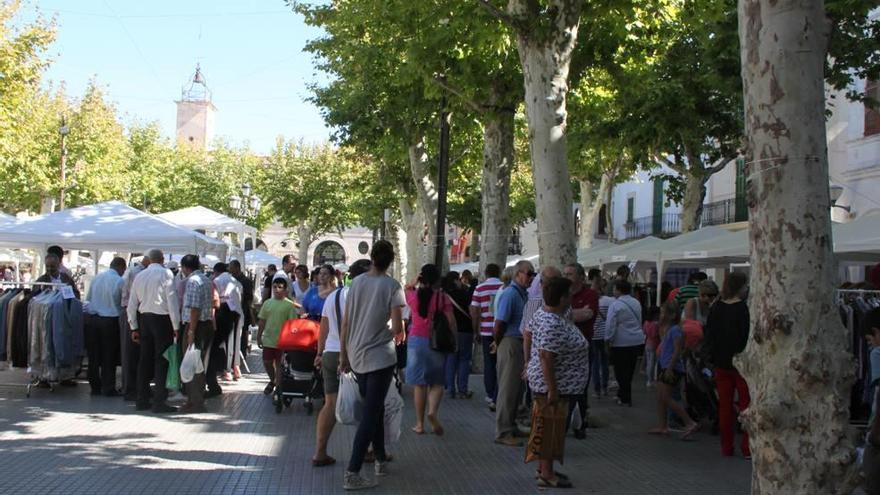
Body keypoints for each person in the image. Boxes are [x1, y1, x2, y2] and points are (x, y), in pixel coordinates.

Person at [339, 240, 406, 490]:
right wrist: (387, 329)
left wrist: (343, 355)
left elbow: (346, 322)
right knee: (370, 413)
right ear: (390, 260)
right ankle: (353, 471)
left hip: (356, 354)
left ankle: (379, 459)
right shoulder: (392, 286)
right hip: (380, 356)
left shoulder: (356, 283)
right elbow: (397, 328)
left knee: (374, 407)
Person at [526, 276, 588, 489]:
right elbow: (546, 356)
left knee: (550, 427)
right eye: (569, 294)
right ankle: (547, 473)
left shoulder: (547, 315)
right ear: (562, 298)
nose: (572, 297)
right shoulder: (552, 321)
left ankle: (545, 468)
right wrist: (553, 389)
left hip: (559, 384)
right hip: (554, 387)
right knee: (551, 429)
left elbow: (532, 337)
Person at [313, 259, 371, 468]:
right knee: (366, 403)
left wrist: (319, 353)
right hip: (356, 355)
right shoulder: (363, 296)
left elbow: (324, 328)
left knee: (330, 404)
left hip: (330, 353)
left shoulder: (333, 296)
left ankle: (320, 452)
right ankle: (368, 450)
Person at [703, 271, 751, 458]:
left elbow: (710, 335)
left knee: (725, 406)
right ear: (740, 287)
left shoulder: (717, 308)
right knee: (746, 405)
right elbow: (745, 336)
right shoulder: (743, 309)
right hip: (741, 364)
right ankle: (747, 447)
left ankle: (727, 447)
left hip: (721, 363)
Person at [127, 249, 180, 414]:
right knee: (161, 360)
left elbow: (132, 304)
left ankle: (141, 399)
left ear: (149, 260)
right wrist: (176, 326)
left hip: (144, 319)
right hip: (162, 320)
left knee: (144, 359)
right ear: (162, 259)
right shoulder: (166, 274)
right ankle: (159, 401)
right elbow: (172, 302)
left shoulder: (140, 276)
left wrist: (133, 326)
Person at [406, 264, 456, 435]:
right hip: (436, 342)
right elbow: (451, 322)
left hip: (416, 341)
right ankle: (432, 411)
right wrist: (453, 340)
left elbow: (407, 287)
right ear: (436, 280)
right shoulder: (443, 298)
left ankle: (419, 424)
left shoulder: (413, 296)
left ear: (422, 278)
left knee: (419, 385)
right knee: (437, 382)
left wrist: (415, 280)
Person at [493, 260, 535, 447]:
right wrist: (498, 342)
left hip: (518, 343)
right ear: (518, 274)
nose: (531, 277)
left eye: (533, 274)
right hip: (511, 342)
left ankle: (511, 425)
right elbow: (500, 323)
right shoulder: (511, 294)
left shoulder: (521, 294)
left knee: (517, 389)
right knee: (508, 390)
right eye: (529, 273)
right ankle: (503, 431)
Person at [649, 301, 700, 438]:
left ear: (671, 315)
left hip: (671, 367)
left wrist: (670, 367)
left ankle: (689, 422)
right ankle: (662, 426)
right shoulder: (667, 329)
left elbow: (677, 350)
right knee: (660, 397)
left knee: (666, 397)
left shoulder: (676, 330)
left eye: (663, 312)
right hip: (664, 365)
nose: (661, 315)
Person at [563, 263, 597, 439]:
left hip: (583, 348)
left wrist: (565, 314)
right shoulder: (562, 294)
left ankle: (580, 423)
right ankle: (566, 422)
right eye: (565, 273)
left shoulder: (590, 294)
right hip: (563, 349)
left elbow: (588, 315)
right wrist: (575, 313)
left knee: (581, 387)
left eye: (570, 274)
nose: (566, 277)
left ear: (580, 277)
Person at [178, 254, 216, 414]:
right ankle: (194, 399)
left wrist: (191, 331)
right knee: (198, 363)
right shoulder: (207, 280)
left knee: (191, 363)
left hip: (197, 326)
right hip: (206, 324)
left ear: (185, 267)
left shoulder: (193, 281)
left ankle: (195, 401)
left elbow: (195, 308)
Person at [83, 257, 126, 396]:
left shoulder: (96, 278)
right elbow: (120, 301)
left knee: (94, 355)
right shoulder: (119, 281)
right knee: (109, 356)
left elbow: (88, 299)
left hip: (94, 319)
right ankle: (108, 387)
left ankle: (95, 386)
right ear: (120, 267)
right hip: (110, 320)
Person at [604, 279, 645, 407]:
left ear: (619, 290)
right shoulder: (636, 302)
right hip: (636, 340)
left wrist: (607, 339)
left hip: (620, 342)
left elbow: (610, 324)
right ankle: (624, 395)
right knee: (630, 369)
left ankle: (625, 397)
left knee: (620, 370)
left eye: (615, 289)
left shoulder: (615, 305)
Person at [470, 263, 503, 411]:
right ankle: (499, 393)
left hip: (486, 331)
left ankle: (490, 394)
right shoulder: (505, 287)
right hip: (502, 331)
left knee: (489, 364)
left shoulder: (479, 288)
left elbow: (475, 311)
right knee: (501, 364)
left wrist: (476, 330)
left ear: (486, 273)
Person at [257, 277, 298, 397]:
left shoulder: (289, 305)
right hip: (269, 339)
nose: (277, 289)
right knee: (267, 362)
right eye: (275, 287)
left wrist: (291, 340)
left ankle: (278, 387)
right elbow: (262, 321)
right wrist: (259, 336)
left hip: (282, 341)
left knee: (279, 364)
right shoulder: (267, 303)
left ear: (285, 290)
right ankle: (273, 380)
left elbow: (293, 324)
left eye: (280, 287)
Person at [120, 256, 149, 401]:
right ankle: (131, 388)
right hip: (133, 312)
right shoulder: (137, 273)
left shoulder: (136, 272)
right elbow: (131, 299)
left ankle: (134, 387)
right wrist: (133, 325)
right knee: (132, 354)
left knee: (135, 354)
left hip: (134, 312)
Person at [442, 271, 473, 399]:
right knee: (464, 360)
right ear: (456, 280)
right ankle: (462, 390)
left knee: (450, 359)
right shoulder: (464, 293)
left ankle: (450, 389)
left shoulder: (444, 295)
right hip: (465, 330)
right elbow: (471, 310)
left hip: (449, 331)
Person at [213, 262, 243, 385]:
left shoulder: (217, 280)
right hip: (236, 311)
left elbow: (215, 298)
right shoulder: (235, 281)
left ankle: (227, 370)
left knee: (225, 342)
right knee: (235, 340)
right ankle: (236, 367)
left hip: (223, 310)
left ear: (216, 271)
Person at [228, 259, 254, 375]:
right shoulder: (232, 280)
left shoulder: (246, 281)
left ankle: (240, 358)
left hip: (243, 312)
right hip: (232, 313)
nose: (229, 270)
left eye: (231, 267)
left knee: (242, 336)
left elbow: (248, 299)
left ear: (237, 268)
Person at [590, 276, 612, 398]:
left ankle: (597, 390)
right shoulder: (609, 301)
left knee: (595, 363)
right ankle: (605, 388)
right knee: (605, 362)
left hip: (593, 336)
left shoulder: (590, 300)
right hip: (605, 336)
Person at [643, 306, 660, 388]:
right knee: (653, 363)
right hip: (655, 344)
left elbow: (644, 332)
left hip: (647, 343)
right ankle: (651, 380)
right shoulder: (655, 324)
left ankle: (648, 380)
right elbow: (655, 335)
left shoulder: (646, 322)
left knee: (649, 363)